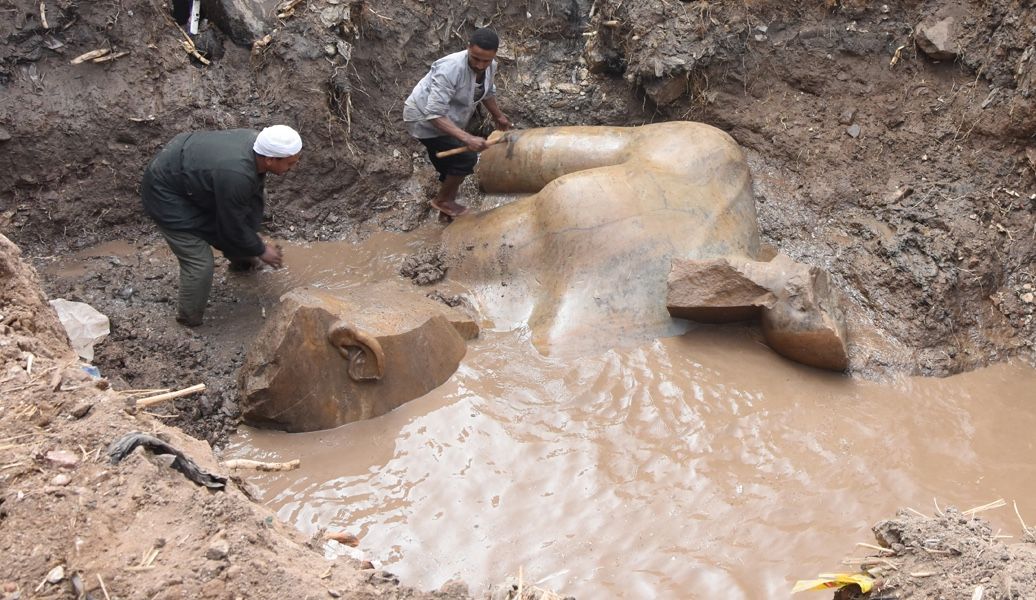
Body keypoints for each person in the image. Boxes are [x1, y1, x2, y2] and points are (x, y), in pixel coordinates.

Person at [141, 125, 302, 327]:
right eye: (290, 163)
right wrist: (260, 249)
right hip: (164, 190)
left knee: (240, 225)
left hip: (193, 178)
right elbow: (232, 225)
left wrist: (251, 238)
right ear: (270, 159)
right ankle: (188, 321)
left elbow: (248, 203)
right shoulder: (237, 174)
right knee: (200, 263)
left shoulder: (257, 147)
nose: (294, 167)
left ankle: (243, 265)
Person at [403, 27, 512, 217]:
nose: (479, 65)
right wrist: (468, 138)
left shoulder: (490, 66)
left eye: (485, 60)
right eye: (475, 58)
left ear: (494, 54)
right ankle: (443, 200)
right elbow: (434, 114)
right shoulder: (450, 68)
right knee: (465, 158)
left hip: (448, 117)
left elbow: (487, 92)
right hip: (423, 117)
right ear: (468, 47)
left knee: (448, 162)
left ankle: (446, 197)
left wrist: (498, 116)